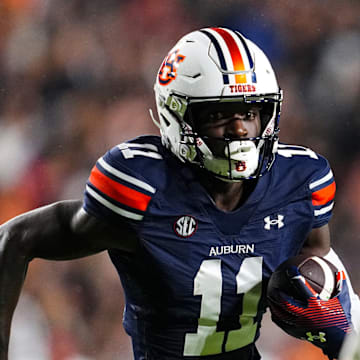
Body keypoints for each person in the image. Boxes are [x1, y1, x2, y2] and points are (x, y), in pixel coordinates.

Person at [0, 27, 359, 360]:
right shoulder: (143, 187)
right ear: (177, 117)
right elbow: (16, 237)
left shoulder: (300, 182)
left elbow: (320, 263)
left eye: (250, 112)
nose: (239, 130)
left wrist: (343, 335)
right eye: (220, 114)